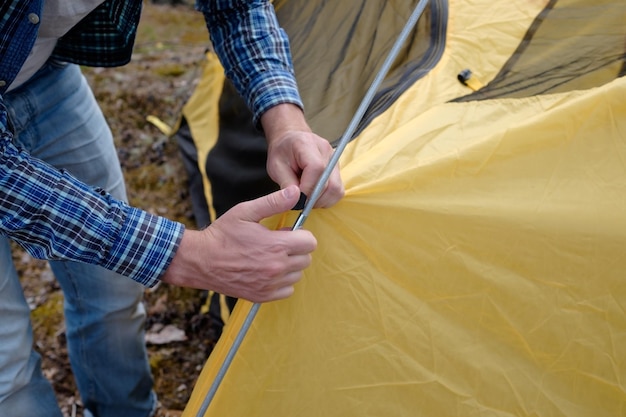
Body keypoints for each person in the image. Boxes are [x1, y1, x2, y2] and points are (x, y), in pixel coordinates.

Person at [0, 1, 344, 416]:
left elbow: (235, 8)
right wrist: (188, 255)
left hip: (44, 78)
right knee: (7, 360)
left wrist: (285, 121)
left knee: (113, 288)